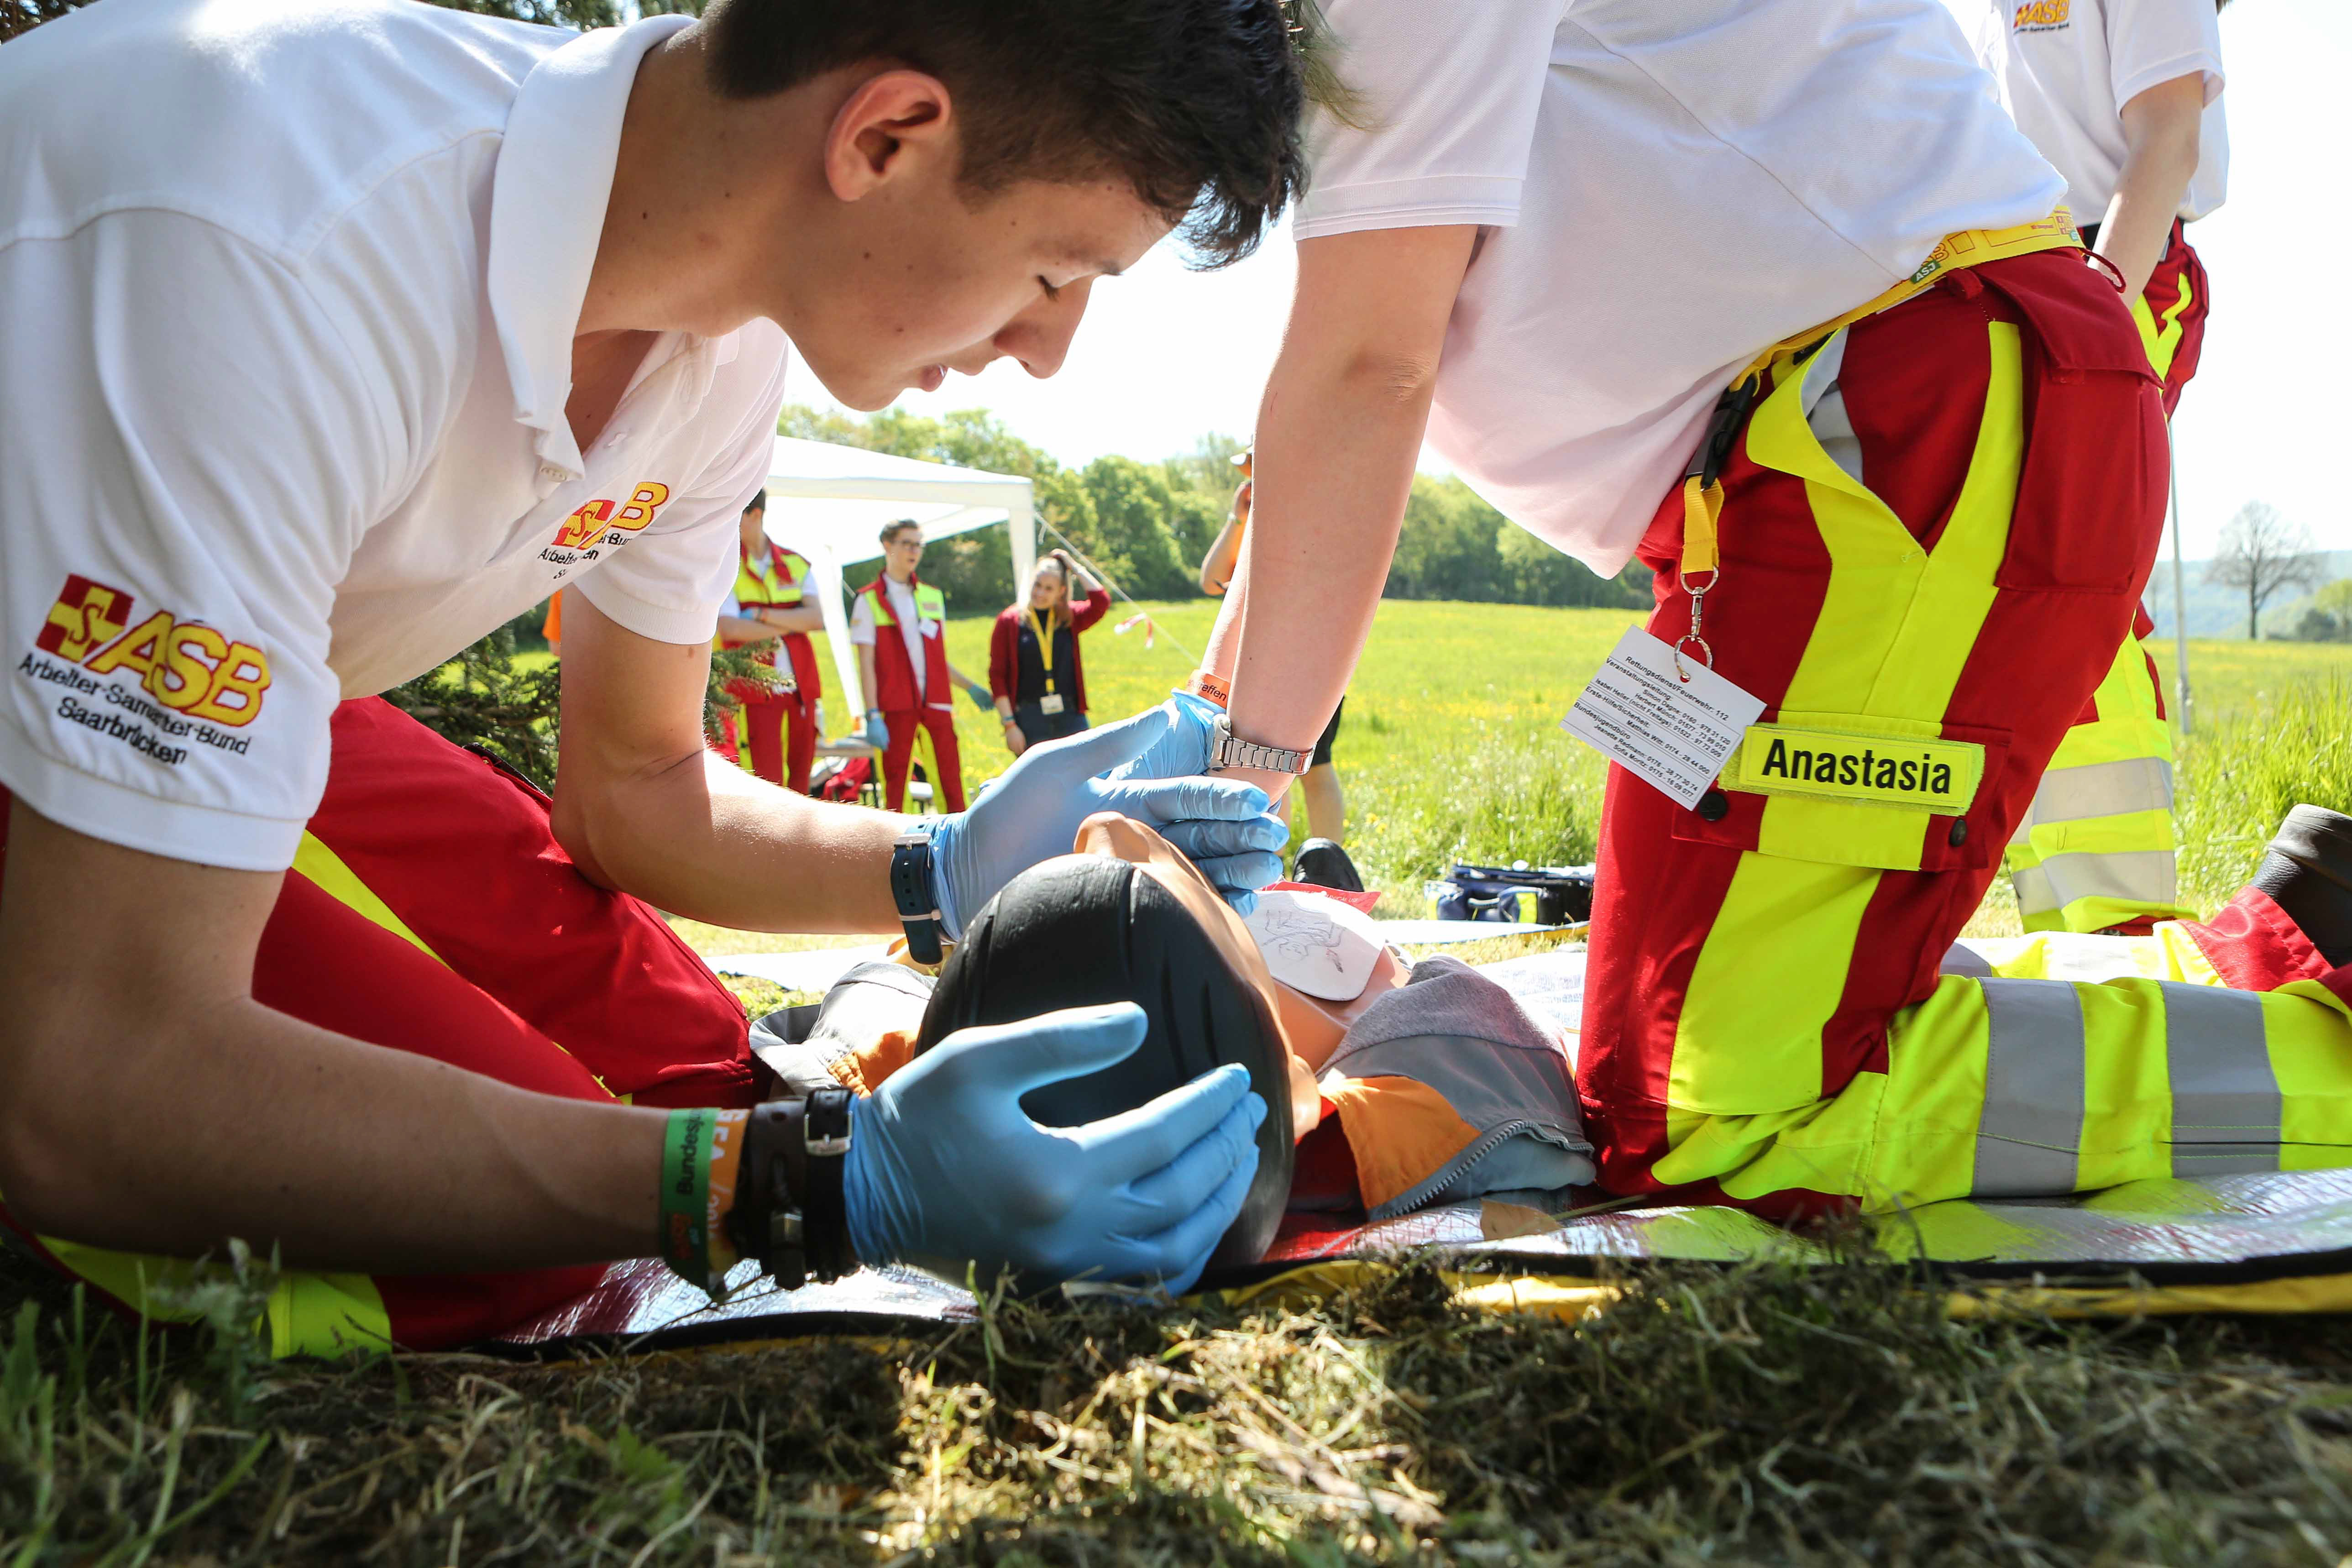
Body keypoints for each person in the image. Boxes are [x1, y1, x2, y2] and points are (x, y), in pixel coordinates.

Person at [0, 0, 1305, 1337]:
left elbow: (636, 789)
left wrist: (945, 865)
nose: (1050, 347)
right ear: (886, 136)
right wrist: (794, 1190)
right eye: (1053, 270)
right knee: (515, 1243)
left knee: (703, 1073)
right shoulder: (268, 249)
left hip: (98, 676)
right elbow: (92, 1075)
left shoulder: (723, 350)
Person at [1180, 0, 2352, 1217]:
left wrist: (1238, 785)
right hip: (1855, 445)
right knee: (1675, 1027)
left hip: (1900, 436)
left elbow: (1366, 368)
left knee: (1712, 1122)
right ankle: (2265, 964)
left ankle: (2329, 1047)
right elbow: (1347, 379)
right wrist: (1219, 724)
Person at [1953, 0, 2231, 936]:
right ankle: (2061, 920)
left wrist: (2095, 307)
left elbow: (2168, 133)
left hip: (2107, 266)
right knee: (1991, 593)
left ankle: (2116, 922)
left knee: (2068, 585)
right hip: (2003, 271)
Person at [1198, 447, 1347, 850]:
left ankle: (1327, 874)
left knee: (1314, 767)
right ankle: (1270, 866)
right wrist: (1239, 514)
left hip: (1310, 660)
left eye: (1252, 464)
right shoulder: (1253, 517)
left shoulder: (1314, 504)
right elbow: (1212, 580)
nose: (1249, 474)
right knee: (1262, 764)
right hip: (1253, 664)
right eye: (1247, 468)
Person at [849, 519, 994, 811]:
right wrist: (873, 714)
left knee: (952, 787)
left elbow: (937, 662)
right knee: (895, 791)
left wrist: (971, 688)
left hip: (937, 706)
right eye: (907, 544)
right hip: (895, 708)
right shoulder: (868, 600)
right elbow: (866, 664)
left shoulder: (932, 596)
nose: (914, 551)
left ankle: (954, 850)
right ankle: (892, 852)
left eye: (918, 544)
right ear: (888, 546)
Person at [717, 489, 827, 793]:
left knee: (801, 781)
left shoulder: (796, 563)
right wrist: (793, 621)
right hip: (755, 691)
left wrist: (761, 616)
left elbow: (817, 620)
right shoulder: (727, 566)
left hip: (800, 690)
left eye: (734, 513)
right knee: (765, 785)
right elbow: (730, 629)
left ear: (755, 515)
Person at [990, 549, 1110, 754]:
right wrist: (1010, 725)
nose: (1040, 593)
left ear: (1061, 591)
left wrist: (1073, 567)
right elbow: (997, 676)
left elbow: (1101, 602)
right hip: (1029, 718)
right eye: (1037, 585)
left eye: (1048, 589)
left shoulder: (1069, 617)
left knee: (1086, 775)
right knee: (1039, 785)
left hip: (1070, 715)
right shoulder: (1010, 621)